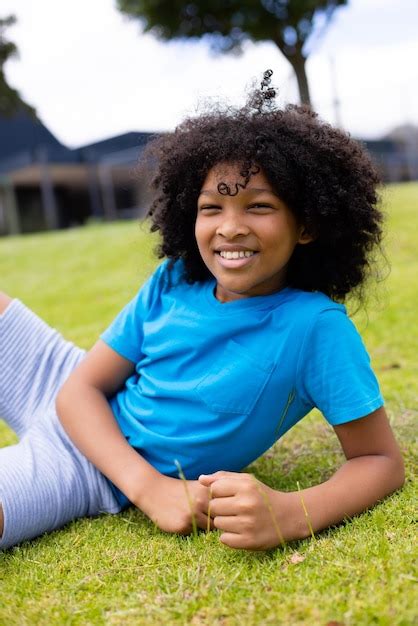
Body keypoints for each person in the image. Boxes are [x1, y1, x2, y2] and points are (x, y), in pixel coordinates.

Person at [0, 72, 404, 551]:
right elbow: (78, 390)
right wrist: (152, 491)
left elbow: (380, 461)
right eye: (212, 207)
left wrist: (291, 515)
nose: (230, 228)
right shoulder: (175, 279)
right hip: (69, 389)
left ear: (308, 225)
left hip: (82, 466)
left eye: (259, 206)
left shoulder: (314, 329)